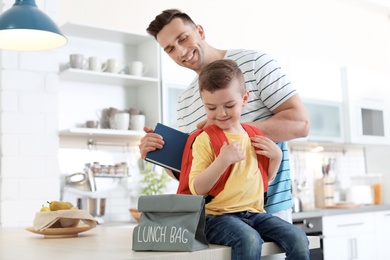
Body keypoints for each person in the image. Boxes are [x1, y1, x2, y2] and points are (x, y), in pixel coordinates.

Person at [139, 9, 309, 223]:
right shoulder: (184, 102)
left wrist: (229, 129)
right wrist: (159, 154)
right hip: (218, 219)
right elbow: (190, 173)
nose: (181, 52)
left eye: (183, 38)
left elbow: (301, 123)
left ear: (200, 31)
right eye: (170, 49)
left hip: (268, 208)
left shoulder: (256, 63)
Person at [191, 59, 309, 259]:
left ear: (244, 99)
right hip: (217, 218)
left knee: (298, 238)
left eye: (229, 105)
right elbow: (197, 188)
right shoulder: (205, 140)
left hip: (255, 214)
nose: (221, 113)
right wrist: (223, 160)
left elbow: (263, 180)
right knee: (249, 239)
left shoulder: (254, 135)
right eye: (211, 108)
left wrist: (277, 158)